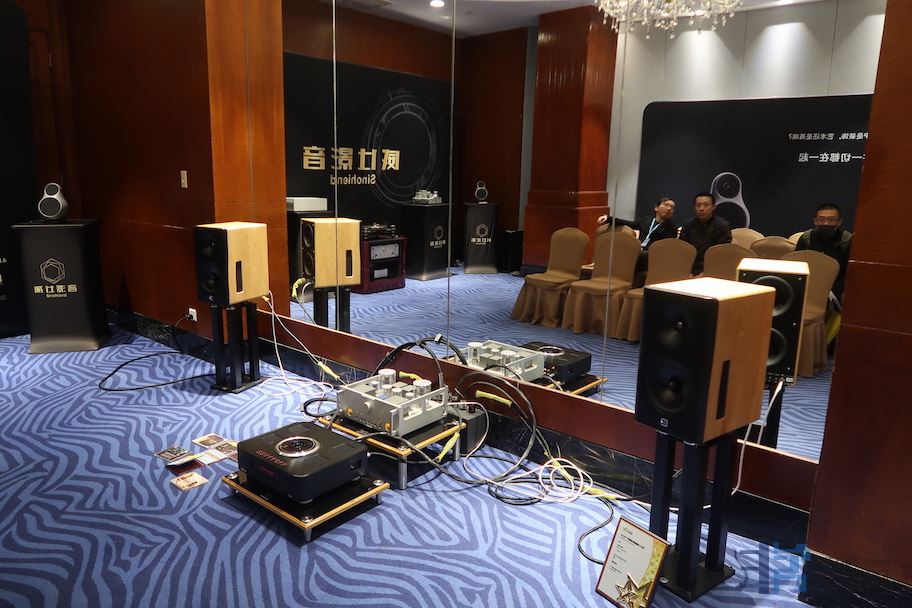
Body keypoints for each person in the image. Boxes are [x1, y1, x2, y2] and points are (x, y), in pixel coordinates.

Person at [795, 203, 853, 303]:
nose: (826, 223)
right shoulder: (806, 238)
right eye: (821, 219)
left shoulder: (847, 240)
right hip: (808, 288)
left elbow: (849, 274)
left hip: (835, 291)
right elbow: (796, 266)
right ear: (815, 221)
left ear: (839, 222)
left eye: (831, 220)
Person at [679, 192, 732, 275]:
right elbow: (682, 251)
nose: (701, 208)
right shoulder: (688, 224)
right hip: (689, 269)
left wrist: (705, 273)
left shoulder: (722, 225)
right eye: (698, 205)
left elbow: (723, 255)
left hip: (713, 269)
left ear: (713, 207)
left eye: (706, 205)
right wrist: (686, 272)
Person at [596, 197, 677, 248]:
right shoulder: (646, 220)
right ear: (656, 207)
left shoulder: (671, 228)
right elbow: (628, 223)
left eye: (672, 207)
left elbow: (665, 248)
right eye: (666, 205)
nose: (669, 208)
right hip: (639, 250)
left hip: (653, 255)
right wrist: (608, 218)